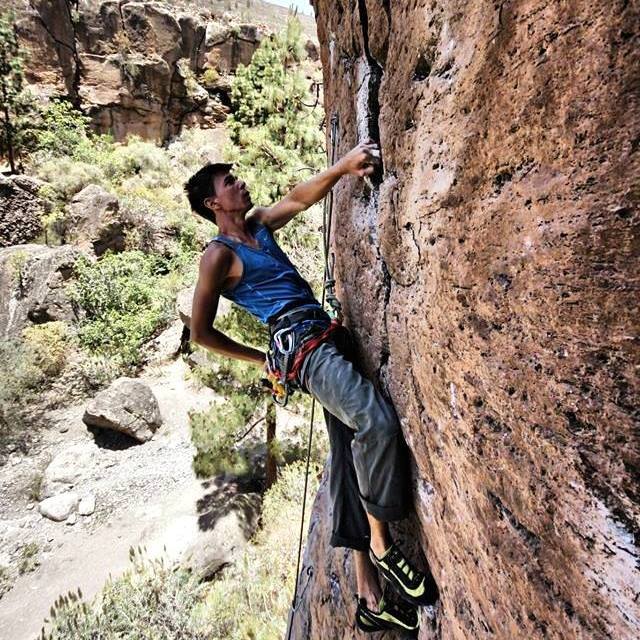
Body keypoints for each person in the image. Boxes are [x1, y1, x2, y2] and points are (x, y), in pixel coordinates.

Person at [185, 141, 439, 635]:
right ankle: (382, 542)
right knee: (376, 423)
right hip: (306, 352)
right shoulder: (218, 255)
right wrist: (263, 360)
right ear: (213, 203)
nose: (239, 182)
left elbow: (299, 198)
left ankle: (369, 598)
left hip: (325, 337)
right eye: (229, 182)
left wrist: (342, 168)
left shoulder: (258, 225)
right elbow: (201, 332)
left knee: (346, 452)